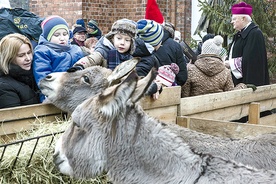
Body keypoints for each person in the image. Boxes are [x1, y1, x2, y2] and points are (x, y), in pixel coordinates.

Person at [33, 15, 85, 102]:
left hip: (75, 92)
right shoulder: (43, 51)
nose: (62, 38)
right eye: (57, 35)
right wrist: (51, 93)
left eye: (65, 34)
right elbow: (42, 75)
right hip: (53, 94)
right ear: (48, 37)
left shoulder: (75, 50)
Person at [181, 35, 246, 98]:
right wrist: (242, 86)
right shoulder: (226, 72)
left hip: (194, 107)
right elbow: (230, 95)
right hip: (218, 107)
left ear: (203, 50)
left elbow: (184, 95)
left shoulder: (190, 70)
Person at [226, 1, 269, 87]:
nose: (232, 21)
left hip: (249, 83)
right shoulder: (240, 34)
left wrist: (230, 63)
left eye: (234, 19)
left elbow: (251, 61)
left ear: (243, 19)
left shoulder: (254, 34)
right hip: (238, 83)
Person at [70, 18, 136, 71]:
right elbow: (92, 59)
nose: (122, 43)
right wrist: (80, 66)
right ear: (112, 38)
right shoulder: (103, 50)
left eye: (127, 40)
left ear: (131, 43)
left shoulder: (132, 58)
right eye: (119, 38)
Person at [0, 33, 39, 108]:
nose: (28, 58)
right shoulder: (4, 86)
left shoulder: (34, 74)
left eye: (29, 53)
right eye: (21, 55)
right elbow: (13, 117)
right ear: (9, 58)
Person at [153, 22, 188, 87]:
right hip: (170, 86)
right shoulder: (176, 46)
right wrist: (175, 83)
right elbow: (182, 76)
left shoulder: (148, 42)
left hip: (151, 86)